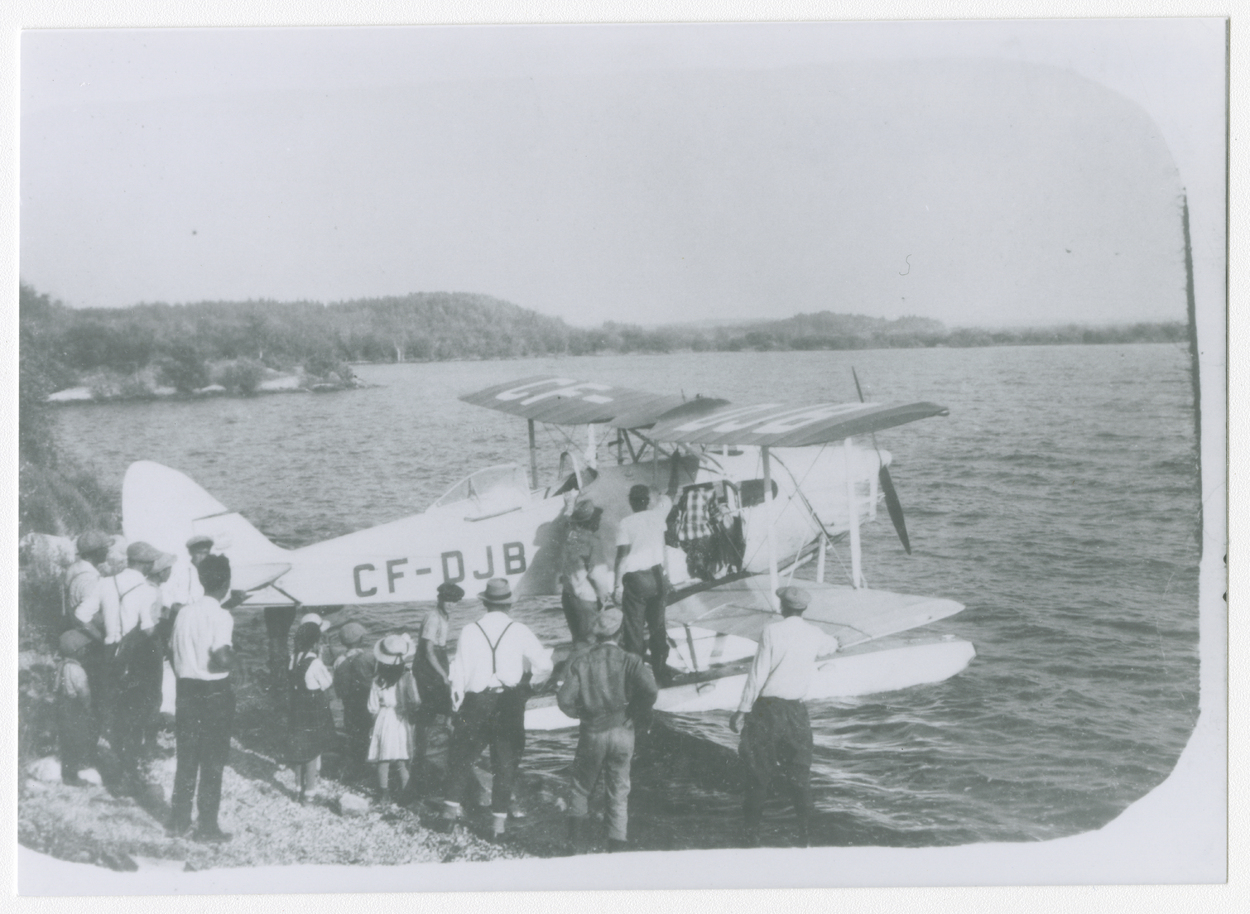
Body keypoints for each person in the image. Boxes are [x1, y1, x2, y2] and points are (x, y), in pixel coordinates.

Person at [441, 578, 553, 839]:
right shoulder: (519, 630)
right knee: (505, 763)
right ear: (508, 605)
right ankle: (497, 828)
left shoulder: (469, 630)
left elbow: (458, 673)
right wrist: (533, 686)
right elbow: (545, 665)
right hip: (509, 703)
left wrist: (456, 707)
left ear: (485, 603)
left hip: (476, 702)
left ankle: (447, 817)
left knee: (461, 758)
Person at [729, 586, 837, 848]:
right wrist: (836, 643)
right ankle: (805, 838)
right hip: (797, 712)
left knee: (758, 775)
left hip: (767, 711)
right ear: (804, 608)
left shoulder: (771, 631)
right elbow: (830, 646)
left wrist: (742, 710)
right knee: (800, 777)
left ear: (782, 607)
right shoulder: (815, 634)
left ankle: (752, 839)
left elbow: (758, 674)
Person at [557, 606, 658, 853]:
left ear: (597, 635)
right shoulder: (630, 661)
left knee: (581, 788)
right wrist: (635, 711)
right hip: (623, 731)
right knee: (619, 792)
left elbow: (564, 699)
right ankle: (616, 851)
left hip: (592, 732)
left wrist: (580, 714)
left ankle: (574, 850)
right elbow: (651, 691)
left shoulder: (582, 662)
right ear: (620, 633)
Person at [168, 554, 236, 842]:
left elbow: (172, 649)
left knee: (187, 759)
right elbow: (221, 656)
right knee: (212, 763)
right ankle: (207, 826)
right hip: (214, 693)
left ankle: (178, 822)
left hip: (186, 690)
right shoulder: (221, 616)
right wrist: (238, 662)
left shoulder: (184, 613)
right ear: (226, 583)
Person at [100, 541, 164, 790]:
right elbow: (147, 629)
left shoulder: (106, 582)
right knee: (135, 712)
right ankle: (129, 772)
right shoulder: (146, 590)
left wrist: (108, 634)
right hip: (133, 657)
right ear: (145, 564)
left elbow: (85, 614)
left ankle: (117, 771)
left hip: (109, 653)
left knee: (116, 712)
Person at [613, 484, 674, 685]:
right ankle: (661, 674)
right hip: (658, 577)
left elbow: (622, 557)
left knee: (634, 631)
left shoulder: (625, 523)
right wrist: (667, 576)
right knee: (658, 627)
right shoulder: (657, 517)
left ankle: (636, 680)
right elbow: (663, 549)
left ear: (631, 501)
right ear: (647, 501)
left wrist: (617, 586)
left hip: (637, 580)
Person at [412, 582, 462, 791]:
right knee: (436, 705)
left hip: (438, 658)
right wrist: (442, 674)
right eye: (447, 600)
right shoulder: (433, 618)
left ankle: (431, 744)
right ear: (440, 599)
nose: (451, 604)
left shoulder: (444, 616)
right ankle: (426, 749)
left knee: (441, 705)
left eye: (454, 601)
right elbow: (428, 650)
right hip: (428, 664)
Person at [287, 613, 336, 804]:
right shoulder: (315, 663)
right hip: (313, 708)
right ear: (316, 642)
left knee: (299, 749)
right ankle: (309, 793)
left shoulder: (293, 658)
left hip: (297, 707)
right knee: (313, 751)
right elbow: (327, 683)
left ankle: (298, 789)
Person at [367, 633, 419, 804]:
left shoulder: (377, 679)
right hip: (401, 719)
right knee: (403, 759)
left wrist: (374, 723)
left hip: (383, 718)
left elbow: (372, 706)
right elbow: (415, 700)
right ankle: (406, 795)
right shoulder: (407, 676)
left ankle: (384, 794)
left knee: (383, 759)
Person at [560, 497, 610, 647]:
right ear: (590, 521)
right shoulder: (593, 542)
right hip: (585, 600)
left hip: (568, 596)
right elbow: (596, 575)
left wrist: (569, 505)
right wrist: (603, 598)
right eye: (597, 518)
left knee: (578, 641)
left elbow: (568, 520)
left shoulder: (570, 535)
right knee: (590, 643)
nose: (599, 521)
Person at [55, 630, 99, 787]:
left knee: (67, 739)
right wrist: (88, 707)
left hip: (63, 705)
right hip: (74, 707)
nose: (85, 650)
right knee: (76, 739)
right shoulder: (77, 670)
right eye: (83, 648)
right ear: (76, 651)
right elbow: (83, 691)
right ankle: (72, 776)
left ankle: (68, 772)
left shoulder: (61, 665)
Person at [332, 621, 375, 775]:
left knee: (352, 729)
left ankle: (354, 762)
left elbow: (337, 683)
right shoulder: (369, 657)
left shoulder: (339, 660)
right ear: (361, 639)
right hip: (364, 700)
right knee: (365, 730)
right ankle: (363, 762)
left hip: (348, 702)